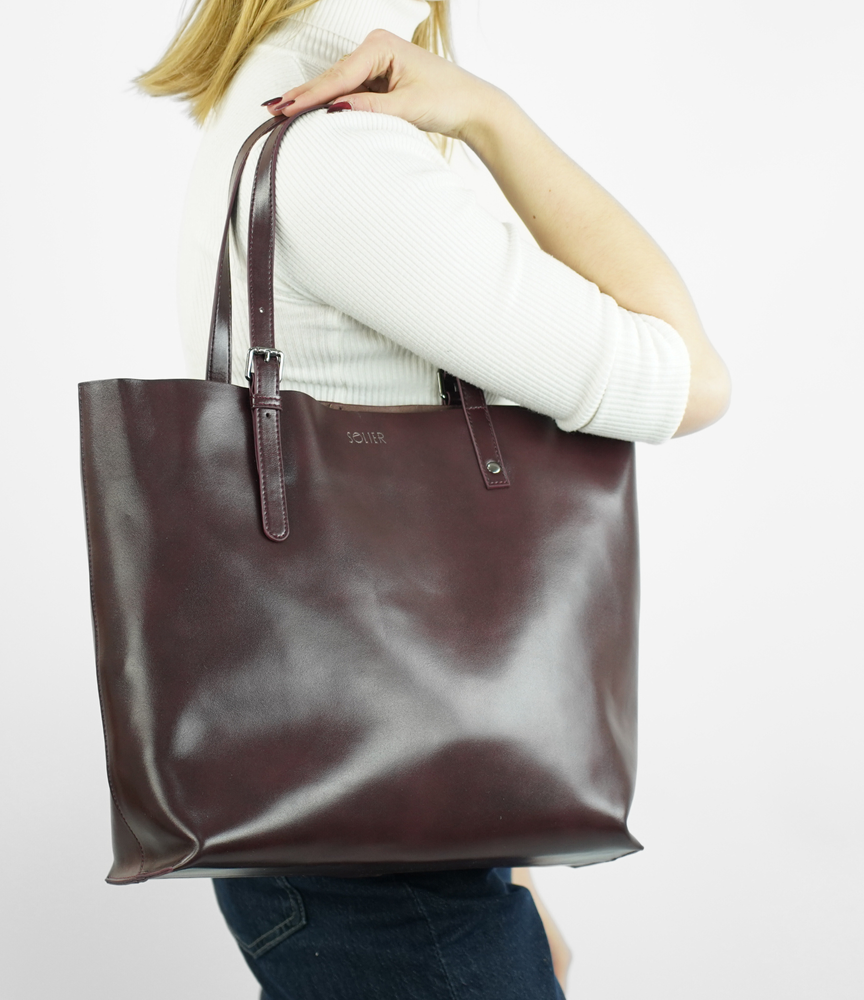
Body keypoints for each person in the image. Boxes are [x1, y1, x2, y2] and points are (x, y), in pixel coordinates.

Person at [137, 1, 731, 997]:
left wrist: (508, 870)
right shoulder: (341, 151)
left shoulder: (278, 95)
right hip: (385, 880)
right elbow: (690, 377)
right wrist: (493, 117)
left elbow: (404, 575)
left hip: (352, 838)